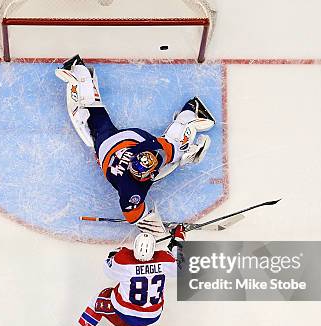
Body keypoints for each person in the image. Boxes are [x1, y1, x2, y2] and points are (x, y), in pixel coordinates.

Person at [56, 55, 215, 231]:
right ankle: (190, 111)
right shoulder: (135, 181)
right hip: (121, 143)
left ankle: (189, 114)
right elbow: (134, 214)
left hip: (113, 145)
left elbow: (135, 217)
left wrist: (151, 224)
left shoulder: (132, 188)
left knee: (173, 149)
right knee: (172, 148)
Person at [64, 225, 185, 326]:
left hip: (124, 317)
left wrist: (116, 252)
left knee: (100, 298)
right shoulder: (165, 259)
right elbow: (181, 264)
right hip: (153, 315)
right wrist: (178, 237)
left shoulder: (123, 260)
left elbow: (107, 268)